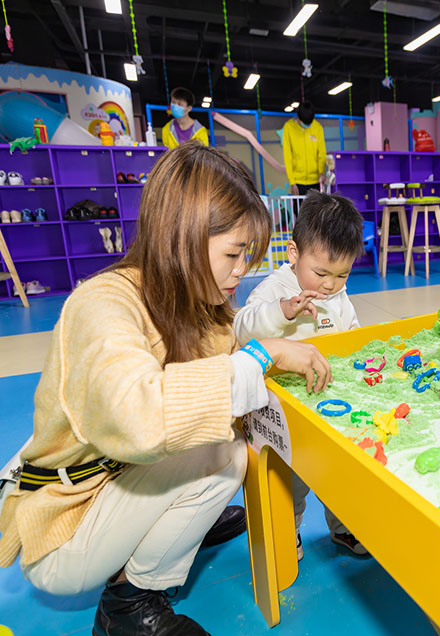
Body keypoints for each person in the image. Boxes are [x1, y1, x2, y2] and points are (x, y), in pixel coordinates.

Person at [0, 142, 334, 636]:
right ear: (183, 237)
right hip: (63, 524)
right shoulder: (102, 304)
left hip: (114, 479)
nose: (242, 269)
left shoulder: (197, 305)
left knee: (225, 438)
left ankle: (177, 524)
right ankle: (127, 605)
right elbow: (141, 416)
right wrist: (263, 355)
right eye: (233, 253)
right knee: (226, 455)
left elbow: (218, 389)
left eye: (247, 254)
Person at [234, 191, 368, 558]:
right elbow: (242, 328)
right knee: (290, 481)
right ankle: (287, 532)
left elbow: (351, 332)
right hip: (282, 410)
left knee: (339, 471)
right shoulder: (273, 290)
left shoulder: (337, 294)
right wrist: (282, 311)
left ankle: (343, 526)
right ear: (294, 253)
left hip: (328, 403)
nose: (330, 285)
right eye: (321, 273)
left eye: (342, 274)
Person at [281, 101, 327, 196]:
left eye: (310, 123)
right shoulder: (288, 127)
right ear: (298, 118)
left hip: (315, 180)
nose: (308, 126)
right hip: (298, 182)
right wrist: (292, 182)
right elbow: (288, 156)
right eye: (305, 123)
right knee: (300, 206)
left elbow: (321, 153)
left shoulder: (318, 128)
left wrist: (321, 172)